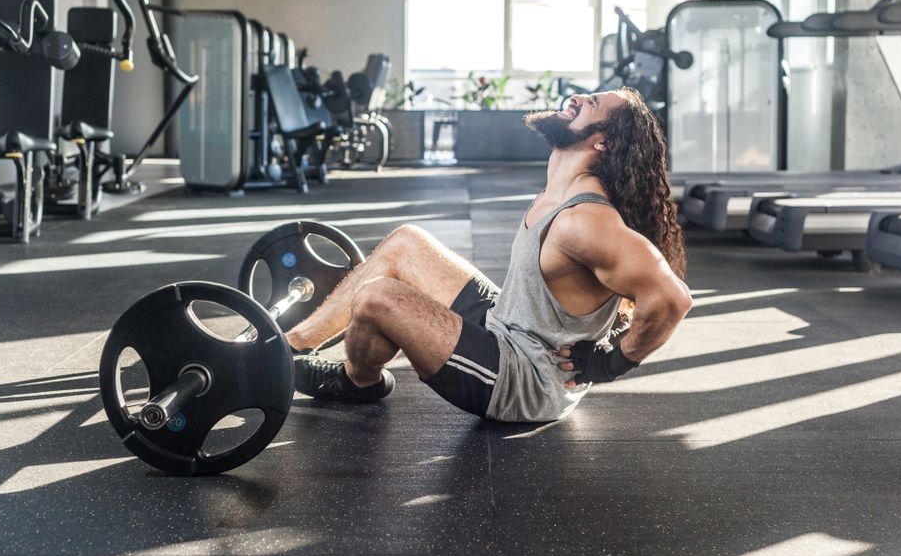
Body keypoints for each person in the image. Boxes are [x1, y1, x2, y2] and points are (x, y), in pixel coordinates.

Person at [285, 87, 693, 422]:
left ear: (603, 141)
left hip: (523, 382)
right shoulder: (559, 190)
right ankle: (289, 347)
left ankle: (351, 381)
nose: (577, 98)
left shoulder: (585, 220)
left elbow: (672, 298)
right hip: (505, 325)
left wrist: (611, 362)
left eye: (592, 104)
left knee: (377, 296)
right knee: (406, 243)